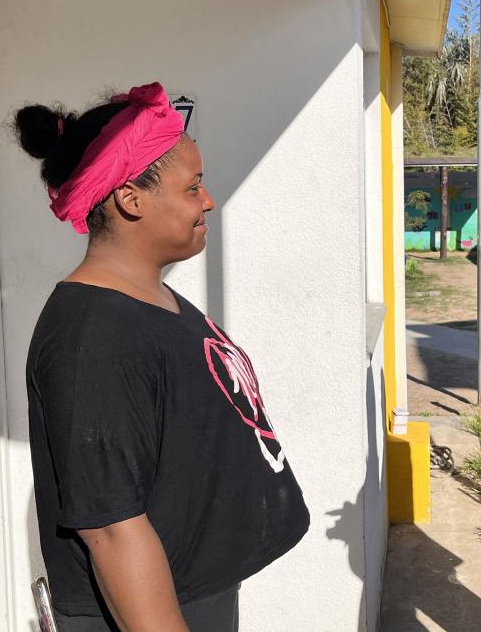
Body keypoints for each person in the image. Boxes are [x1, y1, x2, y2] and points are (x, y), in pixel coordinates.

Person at [16, 82, 309, 631]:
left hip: (193, 595)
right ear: (131, 199)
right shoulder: (93, 339)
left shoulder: (149, 297)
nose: (207, 199)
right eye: (192, 186)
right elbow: (111, 528)